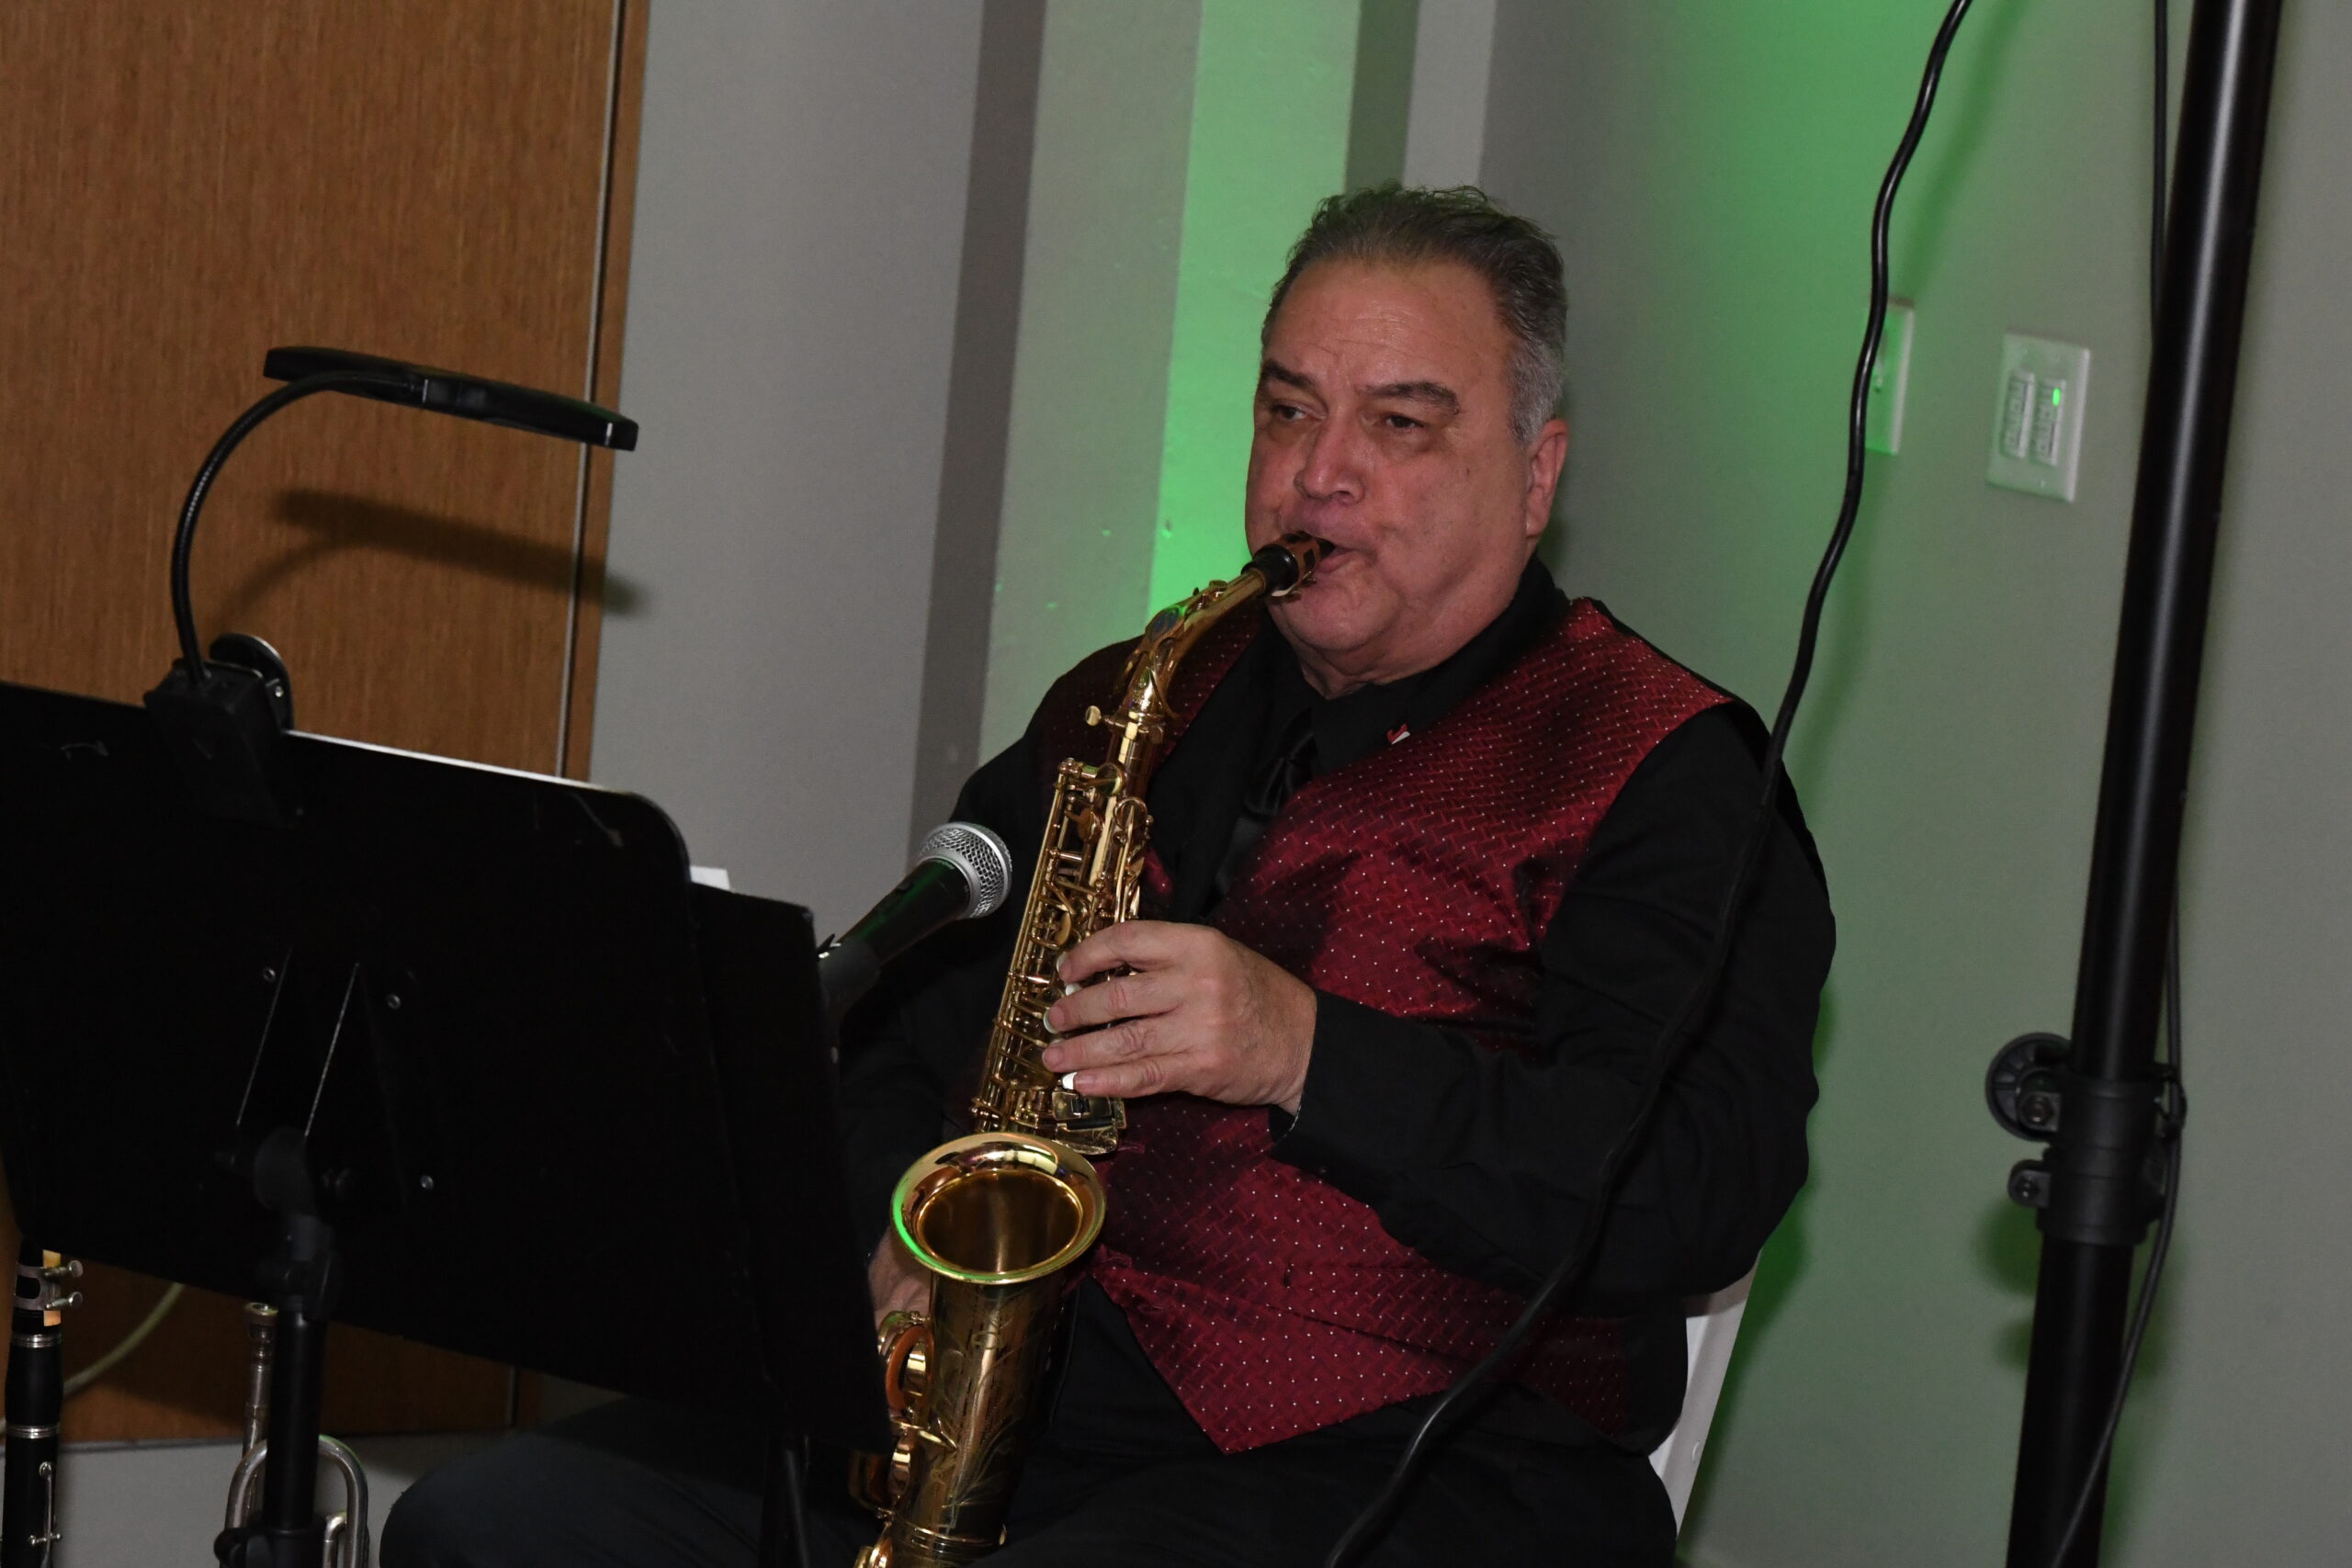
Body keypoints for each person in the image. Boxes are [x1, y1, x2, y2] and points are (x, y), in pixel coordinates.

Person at [385, 185, 1832, 1568]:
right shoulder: (1130, 700)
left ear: (1537, 474)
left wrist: (1305, 1052)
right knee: (497, 1525)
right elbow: (894, 1041)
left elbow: (1698, 1184)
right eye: (1288, 410)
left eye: (1399, 424)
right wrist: (895, 1231)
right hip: (1040, 1408)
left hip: (1428, 1459)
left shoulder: (1667, 775)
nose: (1319, 474)